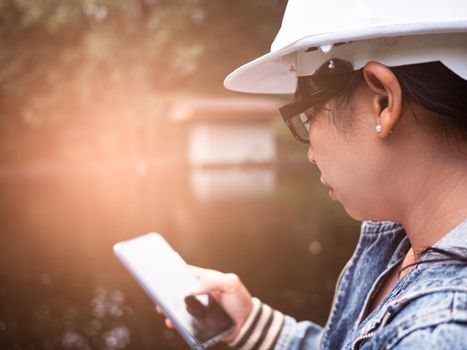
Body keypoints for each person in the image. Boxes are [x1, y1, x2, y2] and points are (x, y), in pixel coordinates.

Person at [159, 0, 467, 348]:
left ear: (383, 102)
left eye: (307, 116)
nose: (310, 152)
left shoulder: (438, 335)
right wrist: (252, 326)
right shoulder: (406, 238)